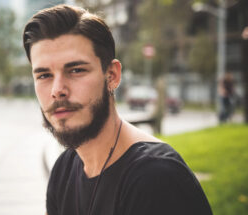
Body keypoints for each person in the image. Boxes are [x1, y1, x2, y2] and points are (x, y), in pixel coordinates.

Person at [23, 4, 212, 215]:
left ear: (112, 76)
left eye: (76, 70)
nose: (57, 90)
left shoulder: (156, 179)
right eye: (44, 75)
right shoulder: (63, 170)